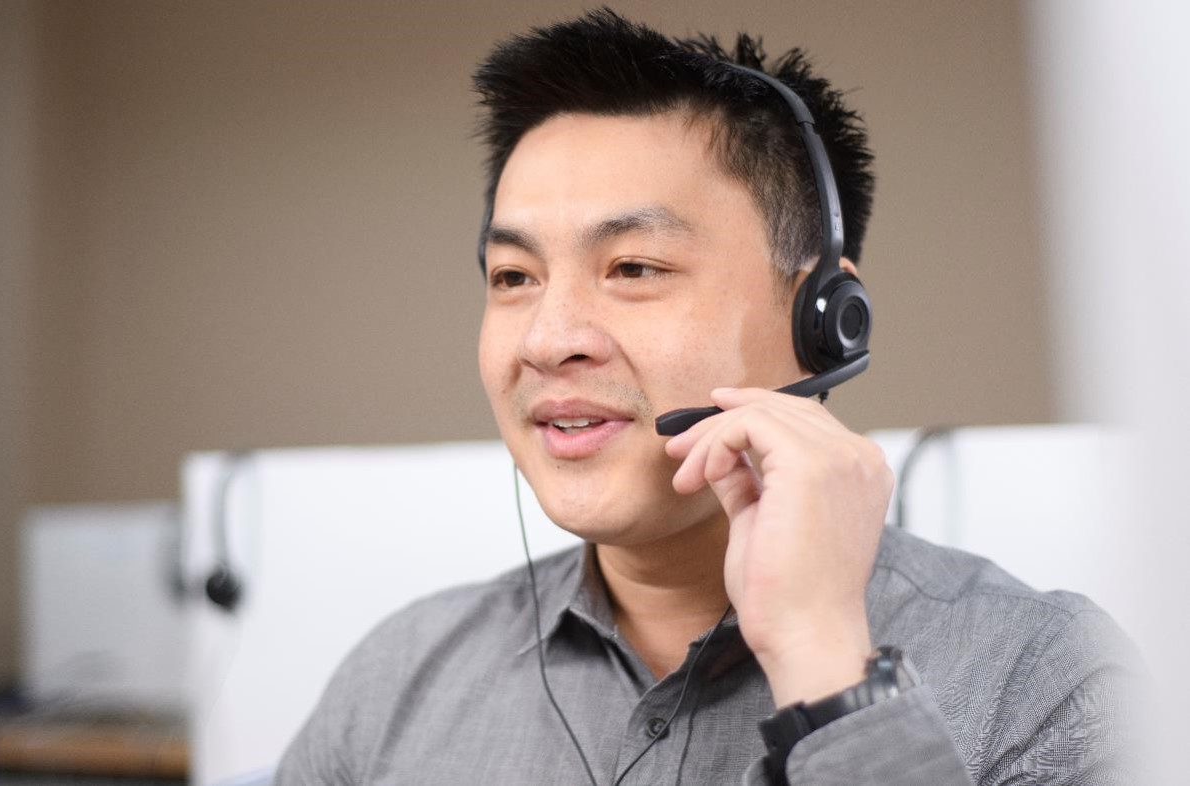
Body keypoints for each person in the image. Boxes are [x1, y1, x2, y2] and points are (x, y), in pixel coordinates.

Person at [275, 9, 1137, 785]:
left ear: (822, 318)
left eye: (633, 268)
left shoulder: (1044, 683)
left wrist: (823, 663)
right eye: (512, 276)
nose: (545, 339)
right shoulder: (394, 683)